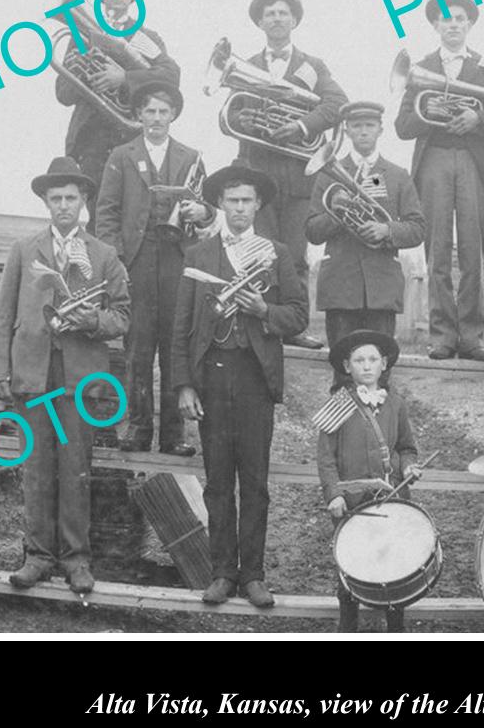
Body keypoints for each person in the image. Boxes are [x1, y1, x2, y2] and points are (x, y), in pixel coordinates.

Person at [0, 157, 131, 593]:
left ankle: (76, 559)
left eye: (71, 198)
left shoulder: (105, 255)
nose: (64, 205)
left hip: (78, 380)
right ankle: (37, 556)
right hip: (32, 375)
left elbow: (123, 318)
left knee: (74, 469)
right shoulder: (24, 249)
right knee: (36, 469)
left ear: (84, 201)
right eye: (56, 199)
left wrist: (92, 320)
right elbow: (2, 314)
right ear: (46, 203)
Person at [171, 166, 309, 607]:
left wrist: (264, 309)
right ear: (220, 205)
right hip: (210, 376)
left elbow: (299, 316)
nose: (240, 209)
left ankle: (253, 575)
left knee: (254, 481)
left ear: (258, 205)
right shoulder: (199, 253)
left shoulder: (276, 253)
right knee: (216, 481)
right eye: (232, 201)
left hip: (253, 378)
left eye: (247, 201)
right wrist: (184, 386)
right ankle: (221, 573)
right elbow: (181, 327)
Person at [394, 0, 484, 361]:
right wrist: (428, 112)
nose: (453, 24)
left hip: (472, 159)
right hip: (434, 160)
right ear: (435, 26)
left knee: (474, 251)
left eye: (459, 19)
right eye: (446, 19)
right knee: (437, 252)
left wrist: (479, 119)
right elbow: (403, 126)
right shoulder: (420, 66)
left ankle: (472, 337)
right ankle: (442, 336)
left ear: (469, 24)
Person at [96, 81, 214, 456]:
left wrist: (204, 212)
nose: (157, 118)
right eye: (150, 111)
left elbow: (209, 209)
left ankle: (174, 435)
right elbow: (106, 213)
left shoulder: (192, 156)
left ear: (174, 115)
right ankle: (137, 427)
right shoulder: (121, 155)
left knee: (176, 343)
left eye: (164, 111)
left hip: (178, 258)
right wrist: (115, 262)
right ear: (139, 115)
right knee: (138, 348)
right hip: (138, 259)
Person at [232, 0, 347, 350]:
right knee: (258, 253)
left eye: (283, 13)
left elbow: (337, 103)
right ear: (260, 22)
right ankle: (257, 326)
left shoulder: (311, 66)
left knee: (295, 256)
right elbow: (233, 113)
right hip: (259, 176)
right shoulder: (246, 65)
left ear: (294, 21)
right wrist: (245, 119)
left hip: (299, 176)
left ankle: (294, 327)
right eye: (270, 14)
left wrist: (301, 127)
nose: (277, 18)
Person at [54, 0, 179, 232]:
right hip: (90, 142)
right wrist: (87, 73)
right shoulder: (79, 32)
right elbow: (63, 94)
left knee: (131, 217)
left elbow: (170, 78)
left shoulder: (146, 36)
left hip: (131, 139)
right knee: (99, 218)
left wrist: (124, 78)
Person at [305, 101, 425, 374]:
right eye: (356, 126)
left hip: (381, 288)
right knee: (343, 371)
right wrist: (336, 212)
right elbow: (312, 231)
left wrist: (387, 230)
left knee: (379, 374)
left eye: (369, 126)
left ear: (380, 129)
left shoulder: (397, 176)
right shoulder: (327, 174)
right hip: (340, 288)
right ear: (346, 130)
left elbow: (418, 229)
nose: (363, 132)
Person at [315, 330, 421, 632]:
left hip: (391, 501)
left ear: (384, 364)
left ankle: (395, 628)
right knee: (351, 569)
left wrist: (410, 467)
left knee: (394, 566)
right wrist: (333, 494)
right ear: (347, 367)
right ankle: (347, 628)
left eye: (373, 359)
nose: (366, 366)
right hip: (351, 504)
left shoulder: (396, 404)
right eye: (359, 360)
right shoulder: (338, 405)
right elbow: (326, 457)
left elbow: (406, 447)